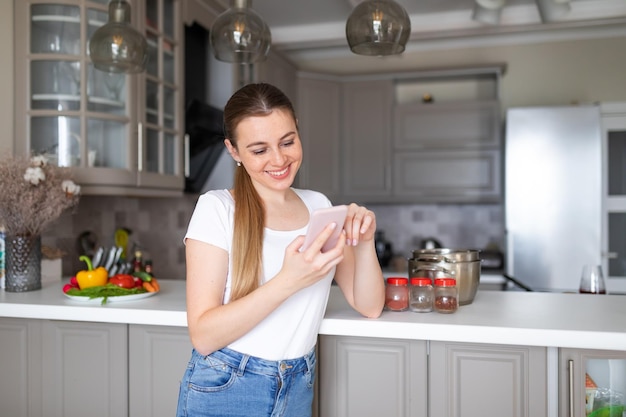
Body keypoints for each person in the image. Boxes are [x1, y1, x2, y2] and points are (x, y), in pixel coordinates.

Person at [176, 83, 385, 417]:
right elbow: (203, 335)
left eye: (287, 142)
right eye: (259, 150)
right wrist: (290, 280)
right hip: (227, 386)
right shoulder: (216, 208)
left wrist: (364, 241)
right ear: (234, 151)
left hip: (298, 382)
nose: (279, 159)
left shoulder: (319, 206)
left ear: (298, 129)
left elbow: (370, 305)